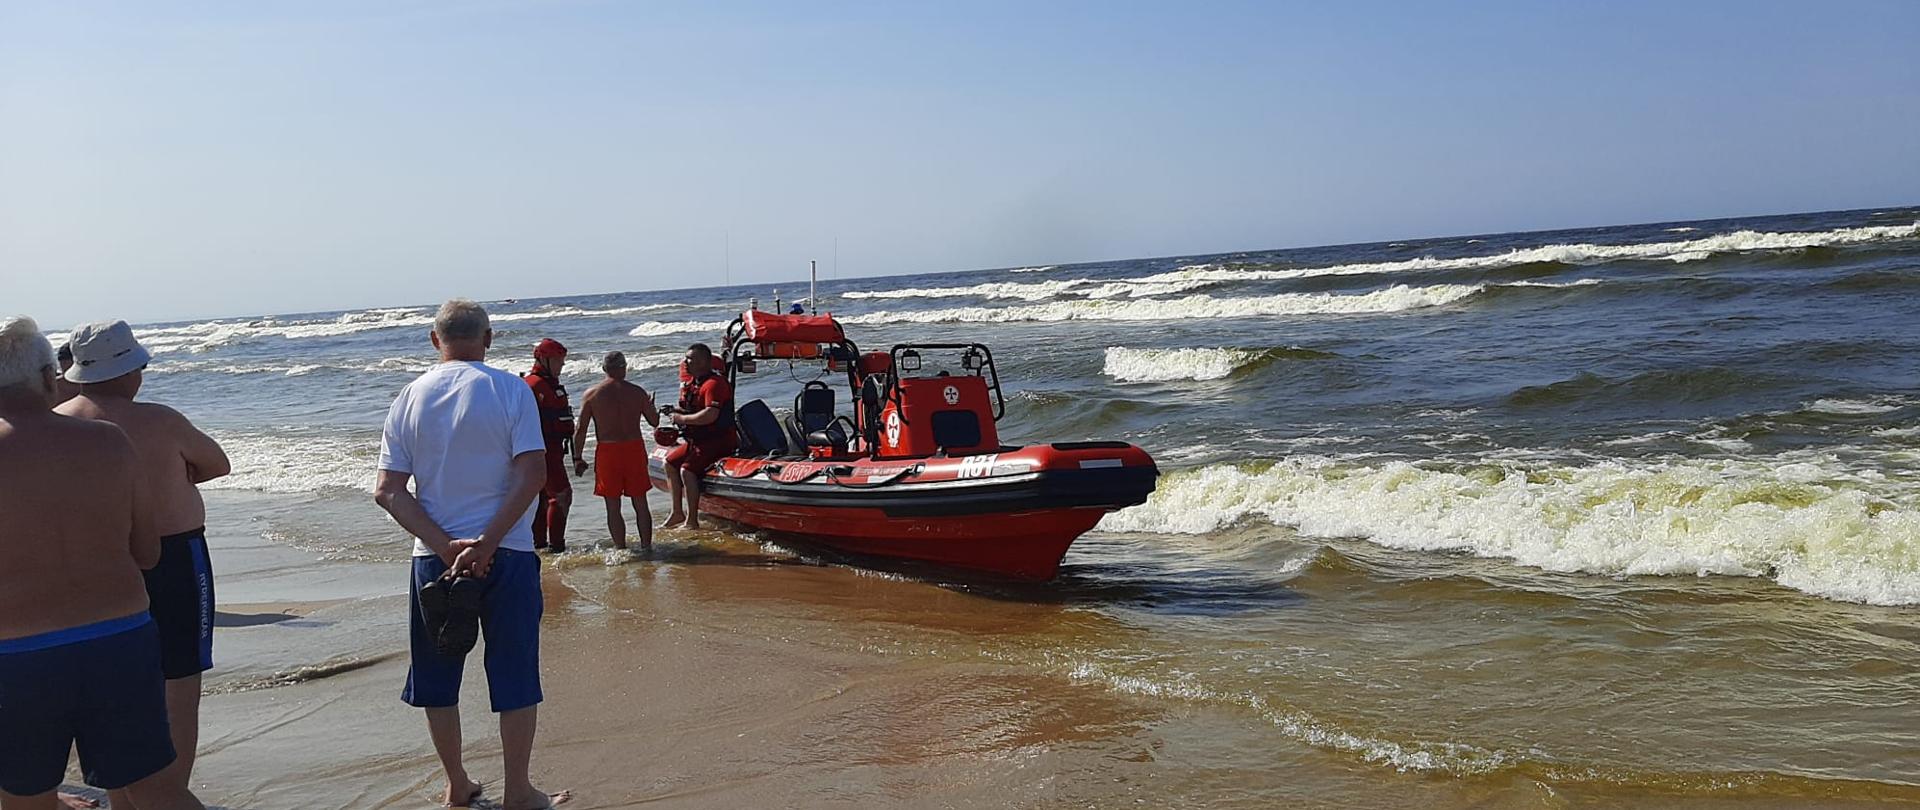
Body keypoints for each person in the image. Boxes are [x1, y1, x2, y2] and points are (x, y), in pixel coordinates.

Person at [0, 316, 206, 810]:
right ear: (51, 377)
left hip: (19, 653)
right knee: (155, 789)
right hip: (119, 638)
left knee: (25, 798)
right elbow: (148, 552)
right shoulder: (110, 441)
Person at [374, 299, 569, 810]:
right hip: (507, 551)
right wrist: (486, 542)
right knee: (515, 671)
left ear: (434, 340)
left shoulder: (410, 396)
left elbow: (389, 490)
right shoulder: (510, 389)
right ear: (489, 337)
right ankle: (519, 791)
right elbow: (533, 474)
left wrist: (446, 546)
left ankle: (457, 782)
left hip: (433, 560)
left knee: (437, 677)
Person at [55, 320, 229, 810]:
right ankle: (170, 793)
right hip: (174, 557)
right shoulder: (160, 420)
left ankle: (124, 796)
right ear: (130, 371)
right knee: (180, 680)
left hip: (97, 561)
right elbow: (217, 464)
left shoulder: (60, 420)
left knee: (115, 680)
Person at [570, 352, 659, 550]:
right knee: (641, 503)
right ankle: (646, 547)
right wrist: (651, 406)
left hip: (608, 451)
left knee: (612, 505)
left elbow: (581, 429)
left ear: (604, 369)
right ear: (624, 368)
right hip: (634, 448)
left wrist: (577, 457)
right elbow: (654, 422)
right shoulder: (637, 392)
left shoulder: (593, 394)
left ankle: (620, 549)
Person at [662, 343, 736, 531]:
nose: (685, 362)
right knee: (669, 463)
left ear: (703, 361)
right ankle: (677, 512)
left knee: (687, 470)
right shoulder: (694, 384)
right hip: (697, 440)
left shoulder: (714, 384)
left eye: (690, 359)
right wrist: (674, 412)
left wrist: (682, 418)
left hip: (718, 440)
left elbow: (710, 415)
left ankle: (692, 520)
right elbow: (693, 410)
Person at [523, 339, 573, 553]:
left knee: (543, 497)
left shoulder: (547, 383)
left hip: (552, 448)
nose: (561, 365)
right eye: (558, 361)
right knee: (561, 495)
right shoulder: (533, 385)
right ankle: (556, 547)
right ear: (544, 360)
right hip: (543, 450)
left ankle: (540, 546)